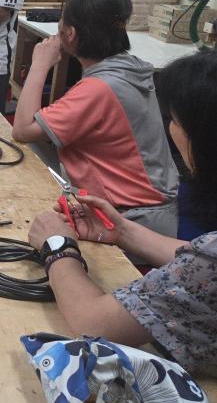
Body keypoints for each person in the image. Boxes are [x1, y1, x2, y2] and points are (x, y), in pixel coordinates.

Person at [28, 48, 217, 376]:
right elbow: (201, 259)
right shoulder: (133, 75)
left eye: (175, 121)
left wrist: (58, 247)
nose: (171, 130)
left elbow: (92, 323)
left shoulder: (95, 87)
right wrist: (122, 231)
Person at [13, 0, 178, 237]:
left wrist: (40, 64)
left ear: (69, 33)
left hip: (133, 220)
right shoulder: (128, 67)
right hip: (144, 210)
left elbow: (22, 130)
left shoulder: (99, 88)